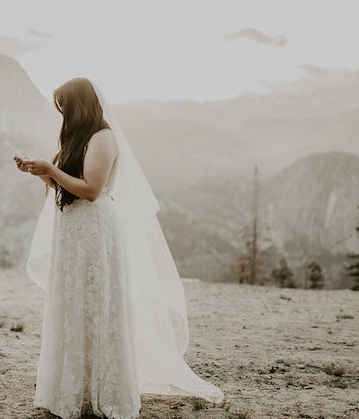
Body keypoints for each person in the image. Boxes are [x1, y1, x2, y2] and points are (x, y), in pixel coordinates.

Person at [16, 78, 224, 419]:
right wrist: (40, 173)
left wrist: (52, 168)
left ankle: (103, 389)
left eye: (65, 107)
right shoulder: (76, 139)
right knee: (73, 306)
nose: (63, 114)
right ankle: (74, 389)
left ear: (80, 106)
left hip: (95, 232)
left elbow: (92, 189)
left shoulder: (103, 138)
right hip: (71, 232)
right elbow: (63, 186)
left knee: (96, 307)